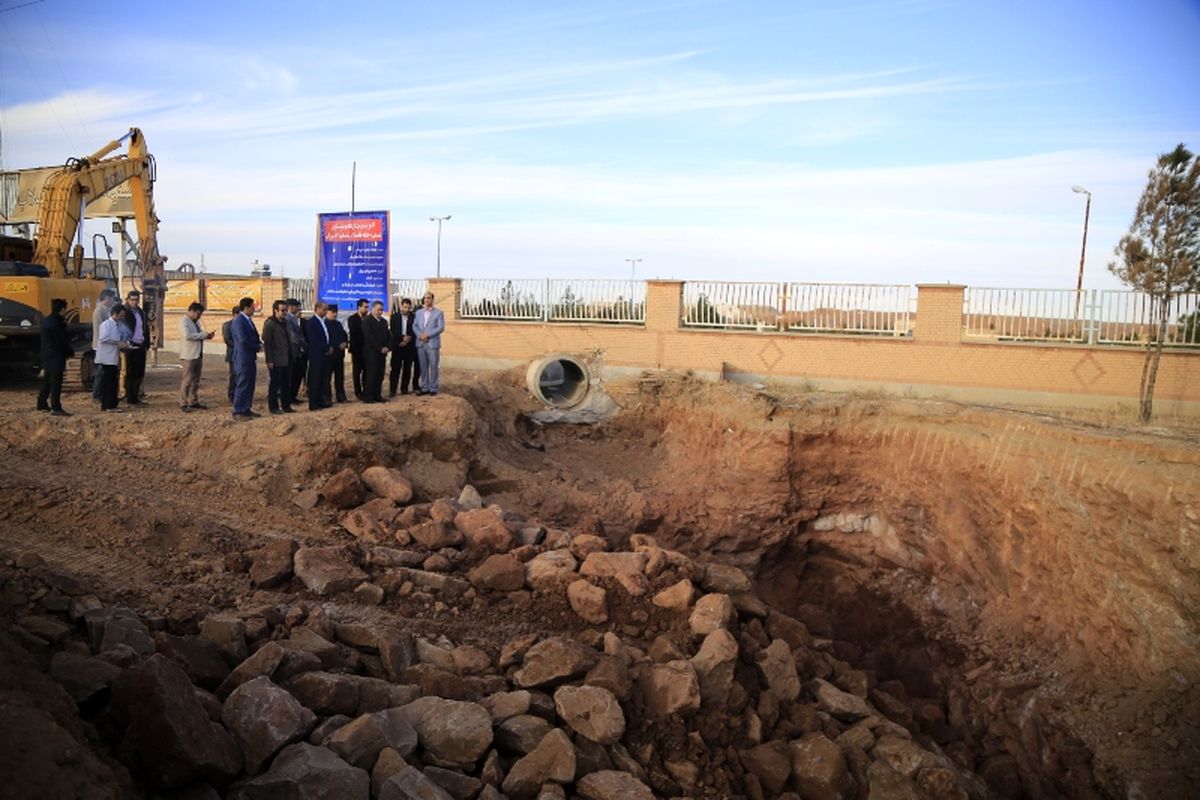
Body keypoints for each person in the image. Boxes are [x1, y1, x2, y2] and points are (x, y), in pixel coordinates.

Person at [38, 297, 74, 416]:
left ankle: (41, 403)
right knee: (56, 383)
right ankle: (56, 407)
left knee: (47, 381)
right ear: (62, 309)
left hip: (46, 354)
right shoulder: (58, 323)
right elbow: (61, 341)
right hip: (56, 356)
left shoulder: (46, 320)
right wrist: (69, 352)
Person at [178, 301, 214, 412]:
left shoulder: (196, 322)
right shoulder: (183, 322)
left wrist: (206, 335)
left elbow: (200, 333)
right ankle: (183, 403)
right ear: (192, 311)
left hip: (197, 353)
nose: (199, 316)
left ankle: (193, 401)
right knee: (187, 380)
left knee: (195, 380)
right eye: (198, 313)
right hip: (188, 355)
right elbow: (187, 336)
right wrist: (203, 335)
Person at [96, 304, 132, 412]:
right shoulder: (105, 325)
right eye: (121, 316)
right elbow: (103, 339)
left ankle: (110, 404)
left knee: (112, 381)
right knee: (109, 383)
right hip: (107, 358)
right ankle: (109, 405)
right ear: (114, 314)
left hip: (112, 357)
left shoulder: (117, 325)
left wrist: (124, 343)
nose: (122, 318)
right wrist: (118, 343)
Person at [231, 297, 262, 420]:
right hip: (243, 358)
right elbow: (243, 340)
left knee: (250, 383)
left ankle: (246, 408)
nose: (254, 309)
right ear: (246, 307)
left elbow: (254, 336)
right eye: (252, 306)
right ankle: (238, 411)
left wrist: (259, 343)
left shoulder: (248, 320)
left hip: (250, 357)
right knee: (243, 383)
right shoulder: (239, 321)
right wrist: (257, 346)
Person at [261, 300, 294, 415]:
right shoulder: (270, 324)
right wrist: (269, 360)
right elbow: (267, 343)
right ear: (276, 310)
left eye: (286, 310)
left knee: (286, 383)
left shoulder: (285, 322)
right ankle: (273, 407)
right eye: (283, 310)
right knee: (275, 384)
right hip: (276, 360)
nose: (285, 313)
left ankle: (286, 405)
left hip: (287, 358)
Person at [413, 291, 445, 396]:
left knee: (434, 366)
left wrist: (427, 335)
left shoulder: (439, 313)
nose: (427, 300)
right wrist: (420, 335)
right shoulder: (418, 313)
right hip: (421, 343)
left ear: (432, 299)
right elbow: (415, 326)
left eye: (429, 298)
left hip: (432, 344)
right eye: (425, 298)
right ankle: (425, 387)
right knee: (423, 366)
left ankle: (433, 387)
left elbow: (440, 327)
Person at [305, 301, 333, 410]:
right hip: (316, 355)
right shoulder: (312, 322)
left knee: (323, 379)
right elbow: (314, 340)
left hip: (325, 355)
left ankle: (322, 400)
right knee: (315, 380)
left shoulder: (323, 321)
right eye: (324, 309)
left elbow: (326, 337)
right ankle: (314, 403)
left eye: (327, 310)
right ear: (317, 309)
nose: (326, 312)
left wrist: (329, 347)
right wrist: (326, 348)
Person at [122, 289, 149, 405]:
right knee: (130, 372)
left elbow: (145, 328)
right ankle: (130, 397)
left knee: (139, 372)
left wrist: (146, 343)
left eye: (136, 300)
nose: (134, 302)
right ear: (128, 300)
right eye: (132, 300)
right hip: (130, 345)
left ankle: (136, 396)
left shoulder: (141, 312)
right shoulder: (125, 312)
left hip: (140, 344)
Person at [91, 288, 118, 402]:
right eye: (112, 298)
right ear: (107, 298)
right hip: (101, 345)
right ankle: (97, 395)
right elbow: (99, 330)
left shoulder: (106, 310)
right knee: (100, 372)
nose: (113, 301)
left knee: (105, 372)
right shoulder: (99, 311)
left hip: (106, 345)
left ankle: (102, 393)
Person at [389, 297, 420, 396]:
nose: (407, 309)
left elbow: (415, 330)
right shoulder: (394, 317)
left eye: (408, 308)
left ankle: (404, 388)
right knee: (395, 369)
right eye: (405, 307)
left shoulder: (413, 317)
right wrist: (402, 339)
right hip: (398, 346)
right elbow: (393, 331)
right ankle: (393, 390)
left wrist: (408, 339)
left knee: (407, 368)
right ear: (401, 306)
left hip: (409, 347)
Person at [362, 300, 390, 402]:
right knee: (371, 375)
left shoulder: (383, 321)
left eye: (382, 310)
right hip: (371, 353)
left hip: (382, 353)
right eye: (378, 310)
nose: (380, 312)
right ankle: (368, 396)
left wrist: (387, 347)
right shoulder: (367, 321)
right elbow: (369, 337)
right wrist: (380, 348)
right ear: (372, 309)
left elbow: (387, 335)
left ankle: (377, 395)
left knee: (380, 375)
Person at [285, 298, 307, 407]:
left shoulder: (294, 318)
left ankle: (293, 396)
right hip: (293, 351)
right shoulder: (288, 319)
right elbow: (293, 336)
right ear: (291, 307)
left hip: (299, 352)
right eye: (296, 306)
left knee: (298, 375)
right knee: (292, 376)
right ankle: (289, 398)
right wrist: (302, 345)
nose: (298, 309)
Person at [325, 304, 349, 403]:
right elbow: (326, 339)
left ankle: (341, 396)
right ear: (327, 312)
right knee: (327, 378)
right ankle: (327, 397)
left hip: (339, 355)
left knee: (339, 378)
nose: (334, 314)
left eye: (336, 312)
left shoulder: (338, 324)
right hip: (329, 355)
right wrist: (336, 345)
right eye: (332, 312)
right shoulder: (324, 324)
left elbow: (344, 335)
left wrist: (345, 343)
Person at [347, 298, 369, 400]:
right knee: (357, 372)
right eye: (365, 307)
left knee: (367, 371)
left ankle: (366, 390)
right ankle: (358, 392)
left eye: (367, 307)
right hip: (357, 350)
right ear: (359, 307)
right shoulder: (352, 319)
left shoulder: (368, 319)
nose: (366, 309)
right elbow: (356, 333)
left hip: (367, 350)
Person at [221, 306, 239, 404]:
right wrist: (239, 346)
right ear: (235, 314)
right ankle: (232, 395)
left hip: (242, 355)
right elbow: (227, 340)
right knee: (234, 375)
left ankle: (239, 393)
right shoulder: (227, 325)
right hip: (233, 354)